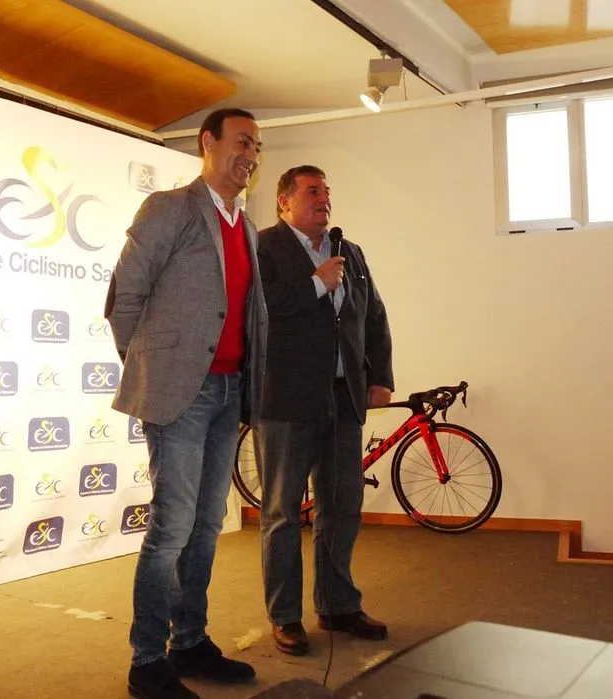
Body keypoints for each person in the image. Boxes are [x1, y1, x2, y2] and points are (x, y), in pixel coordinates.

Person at [105, 108, 267, 699]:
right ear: (208, 142)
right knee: (172, 525)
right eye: (242, 142)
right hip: (182, 391)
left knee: (205, 525)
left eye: (257, 147)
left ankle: (190, 642)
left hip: (229, 391)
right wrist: (150, 365)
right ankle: (147, 660)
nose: (250, 155)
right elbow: (125, 294)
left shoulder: (247, 226)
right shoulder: (169, 208)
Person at [254, 165, 394, 656]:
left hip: (342, 397)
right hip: (286, 399)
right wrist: (315, 283)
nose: (324, 199)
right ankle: (285, 616)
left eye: (327, 192)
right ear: (284, 202)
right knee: (282, 513)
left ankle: (337, 604)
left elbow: (373, 314)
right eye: (312, 191)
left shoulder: (348, 251)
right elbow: (259, 307)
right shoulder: (263, 247)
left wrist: (379, 375)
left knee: (341, 505)